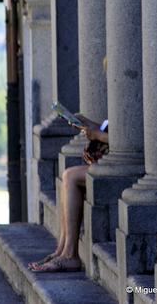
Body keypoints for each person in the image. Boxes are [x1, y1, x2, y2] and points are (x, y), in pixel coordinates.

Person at [28, 114, 108, 272]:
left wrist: (98, 135)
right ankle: (62, 251)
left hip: (128, 165)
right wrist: (92, 125)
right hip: (111, 162)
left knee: (70, 176)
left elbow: (131, 142)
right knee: (68, 175)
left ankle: (70, 255)